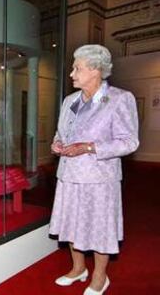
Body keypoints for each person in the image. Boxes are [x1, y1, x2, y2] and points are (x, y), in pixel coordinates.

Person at [49, 44, 139, 295]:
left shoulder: (120, 99)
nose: (72, 74)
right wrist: (58, 143)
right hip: (68, 175)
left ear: (95, 70)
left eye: (77, 68)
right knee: (71, 225)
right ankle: (78, 269)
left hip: (100, 178)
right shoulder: (70, 101)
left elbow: (129, 142)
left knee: (99, 230)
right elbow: (61, 132)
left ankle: (100, 277)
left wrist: (88, 147)